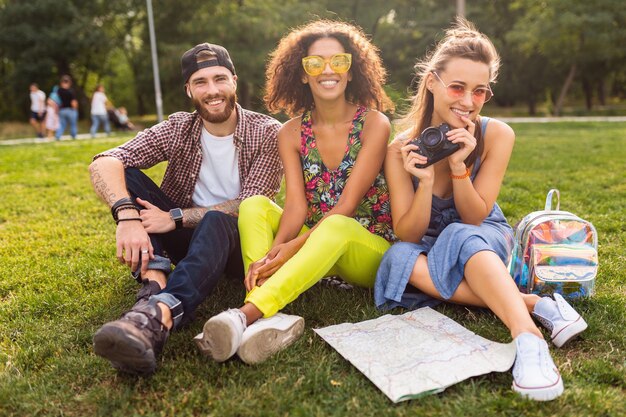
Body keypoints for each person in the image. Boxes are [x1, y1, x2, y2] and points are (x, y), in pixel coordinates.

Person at [374, 19, 587, 402]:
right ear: (432, 82)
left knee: (460, 233)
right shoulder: (400, 147)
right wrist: (422, 183)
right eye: (457, 87)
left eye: (480, 92)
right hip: (427, 243)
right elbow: (408, 234)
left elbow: (473, 217)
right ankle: (537, 305)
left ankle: (528, 338)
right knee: (398, 257)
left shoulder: (497, 134)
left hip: (483, 234)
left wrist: (459, 167)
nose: (468, 102)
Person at [197, 20, 395, 365]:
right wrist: (272, 256)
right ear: (302, 74)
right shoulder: (290, 133)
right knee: (255, 204)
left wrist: (290, 249)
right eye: (315, 63)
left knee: (336, 224)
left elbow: (346, 206)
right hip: (317, 241)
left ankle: (244, 315)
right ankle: (266, 312)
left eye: (339, 62)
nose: (327, 70)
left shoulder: (375, 124)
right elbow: (295, 208)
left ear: (353, 71)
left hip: (368, 248)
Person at [89, 42, 283, 375]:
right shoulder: (179, 127)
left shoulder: (267, 132)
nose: (212, 90)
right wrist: (127, 216)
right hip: (185, 236)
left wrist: (176, 217)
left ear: (234, 81)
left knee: (218, 220)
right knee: (129, 177)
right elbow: (105, 161)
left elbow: (251, 201)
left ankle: (157, 316)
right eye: (201, 82)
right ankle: (155, 281)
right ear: (188, 89)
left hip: (239, 244)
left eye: (219, 79)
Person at [55, 75, 79, 140]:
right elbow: (73, 102)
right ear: (69, 83)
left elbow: (55, 101)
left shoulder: (58, 91)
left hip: (62, 110)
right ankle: (73, 136)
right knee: (73, 124)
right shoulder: (70, 91)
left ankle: (57, 136)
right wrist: (75, 109)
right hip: (70, 110)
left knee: (62, 125)